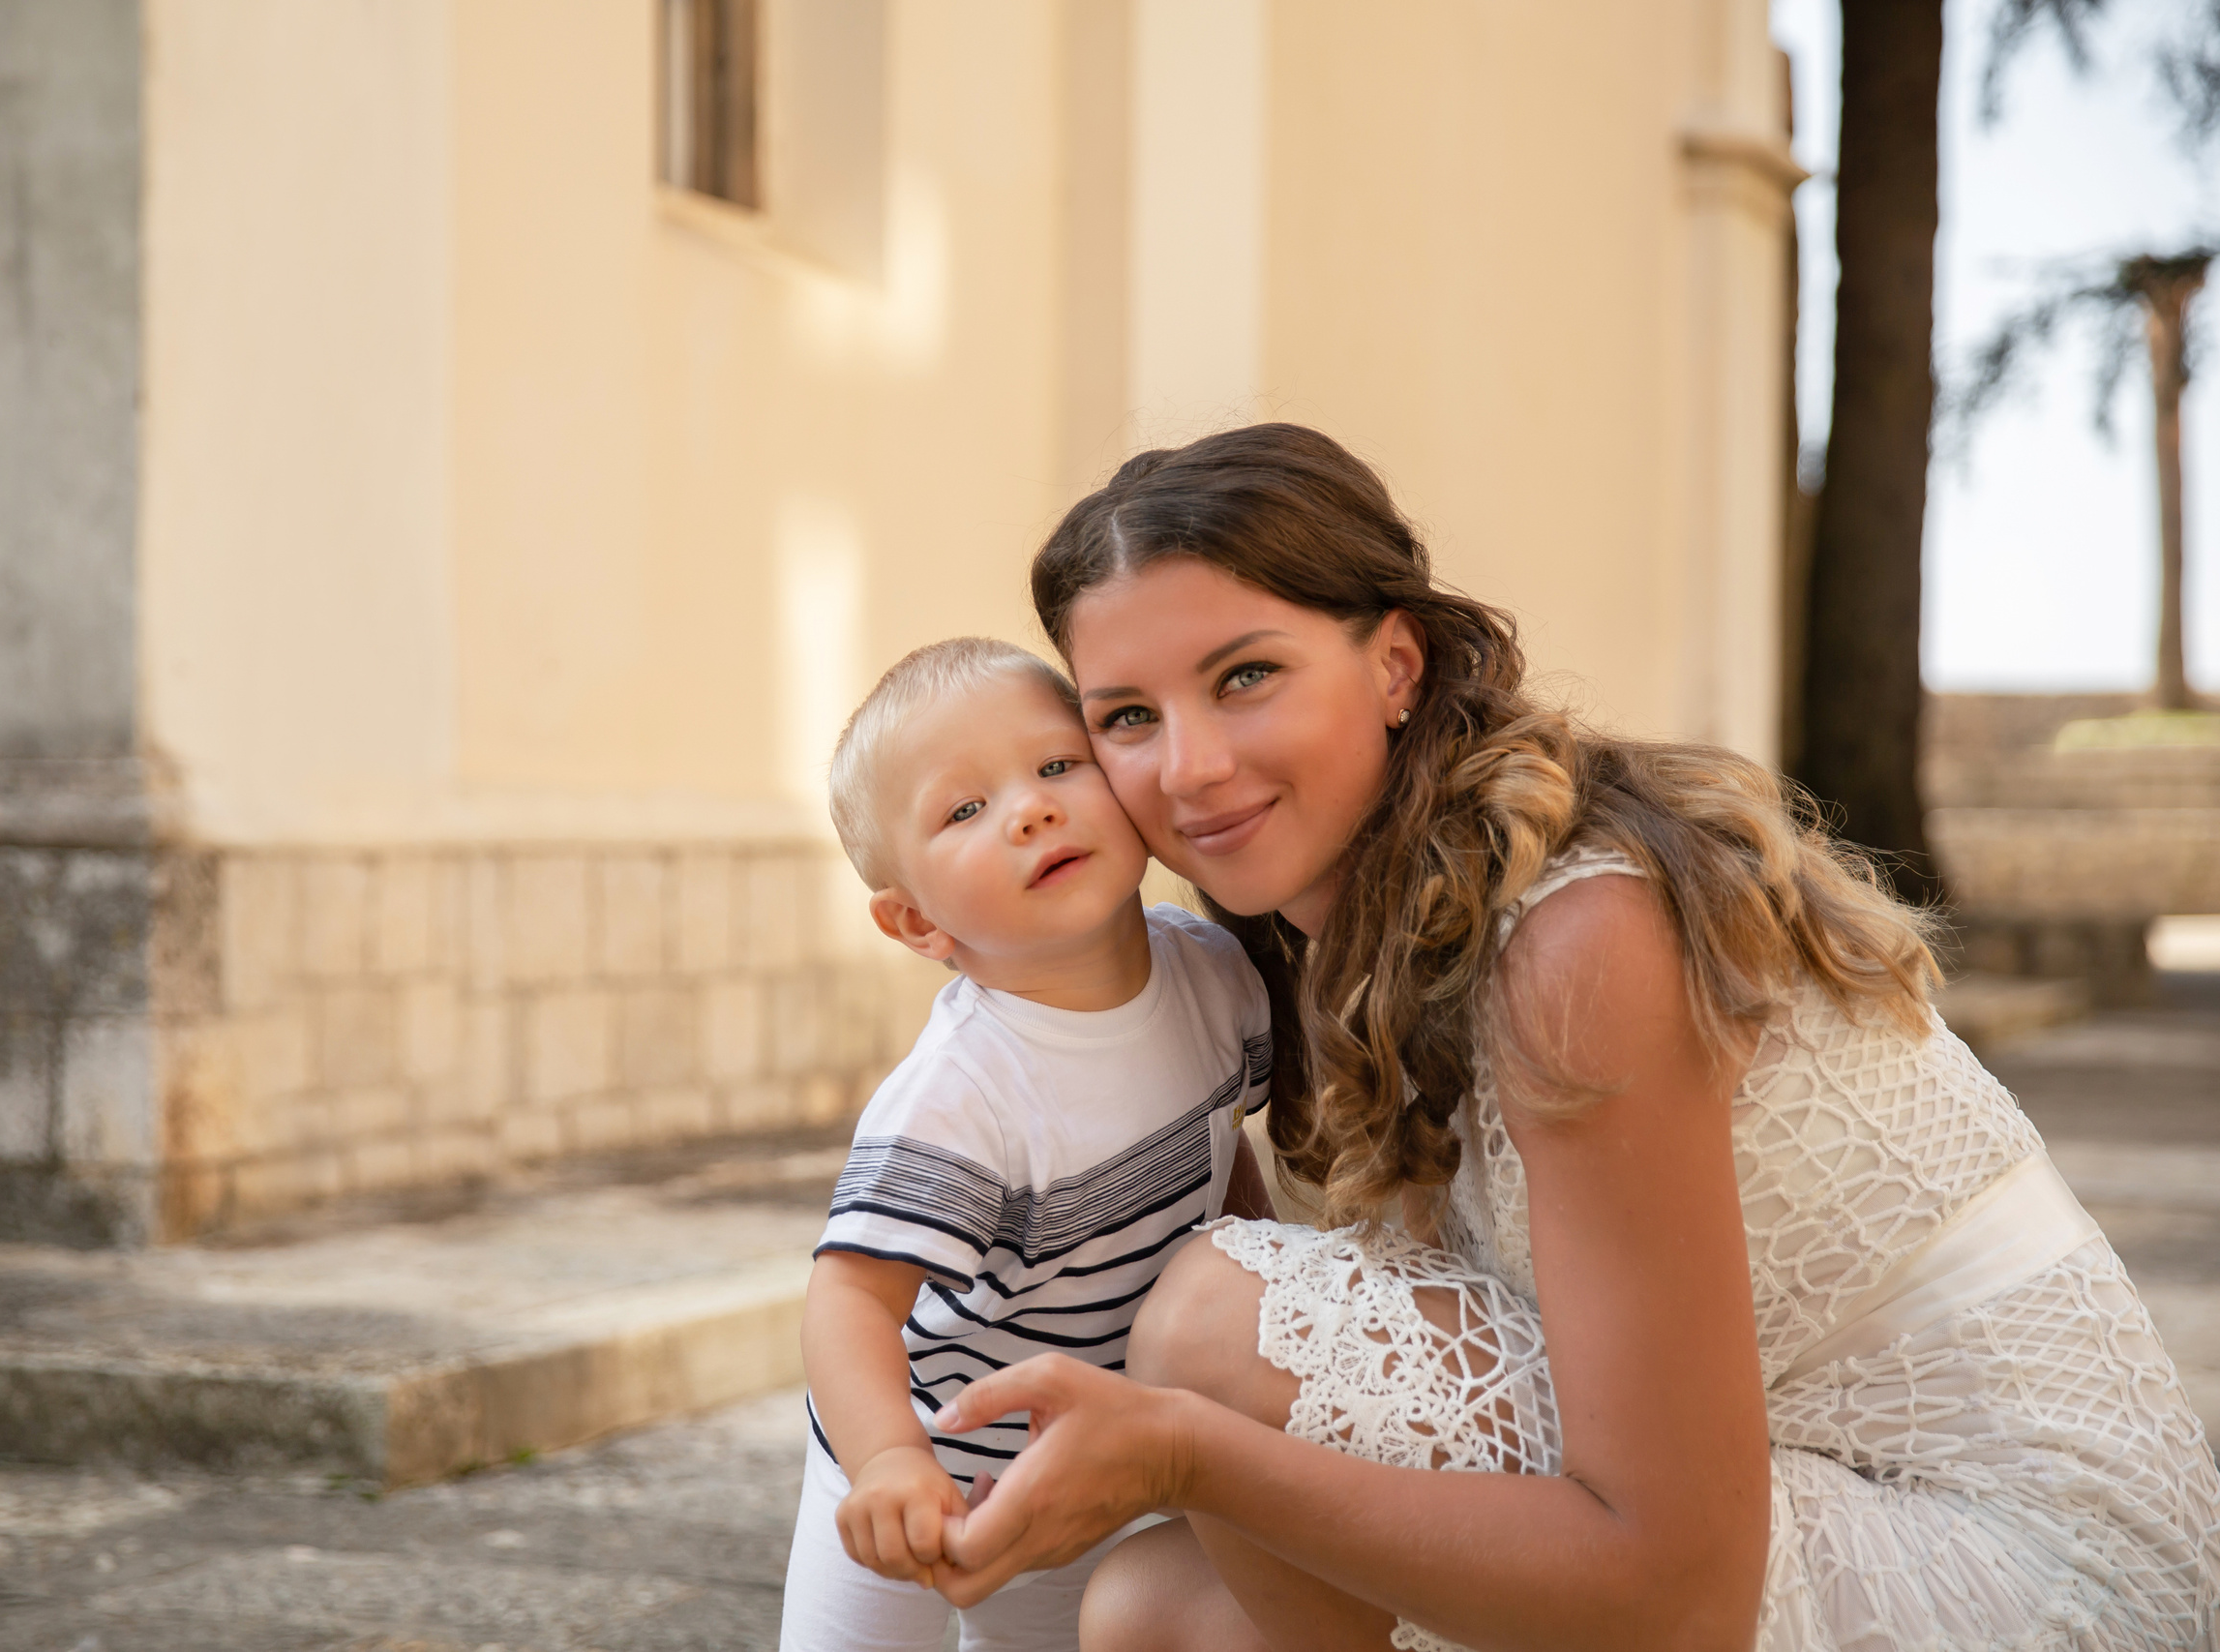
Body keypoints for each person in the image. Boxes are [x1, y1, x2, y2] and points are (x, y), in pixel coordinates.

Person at [918, 424, 2220, 1651]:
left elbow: (1681, 1588)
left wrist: (1186, 1452)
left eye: (1246, 675)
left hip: (2028, 1566)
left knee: (1218, 1328)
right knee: (1153, 1606)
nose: (1189, 766)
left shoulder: (1576, 935)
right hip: (1778, 1481)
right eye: (1127, 716)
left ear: (1395, 664)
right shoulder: (1322, 937)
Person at [779, 637, 1277, 1652]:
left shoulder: (1216, 977)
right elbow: (849, 1298)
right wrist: (886, 1464)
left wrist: (1259, 1273)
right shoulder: (960, 1095)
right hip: (912, 1457)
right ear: (915, 921)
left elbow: (1220, 1151)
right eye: (965, 811)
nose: (1031, 810)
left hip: (1069, 1464)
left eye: (1058, 766)